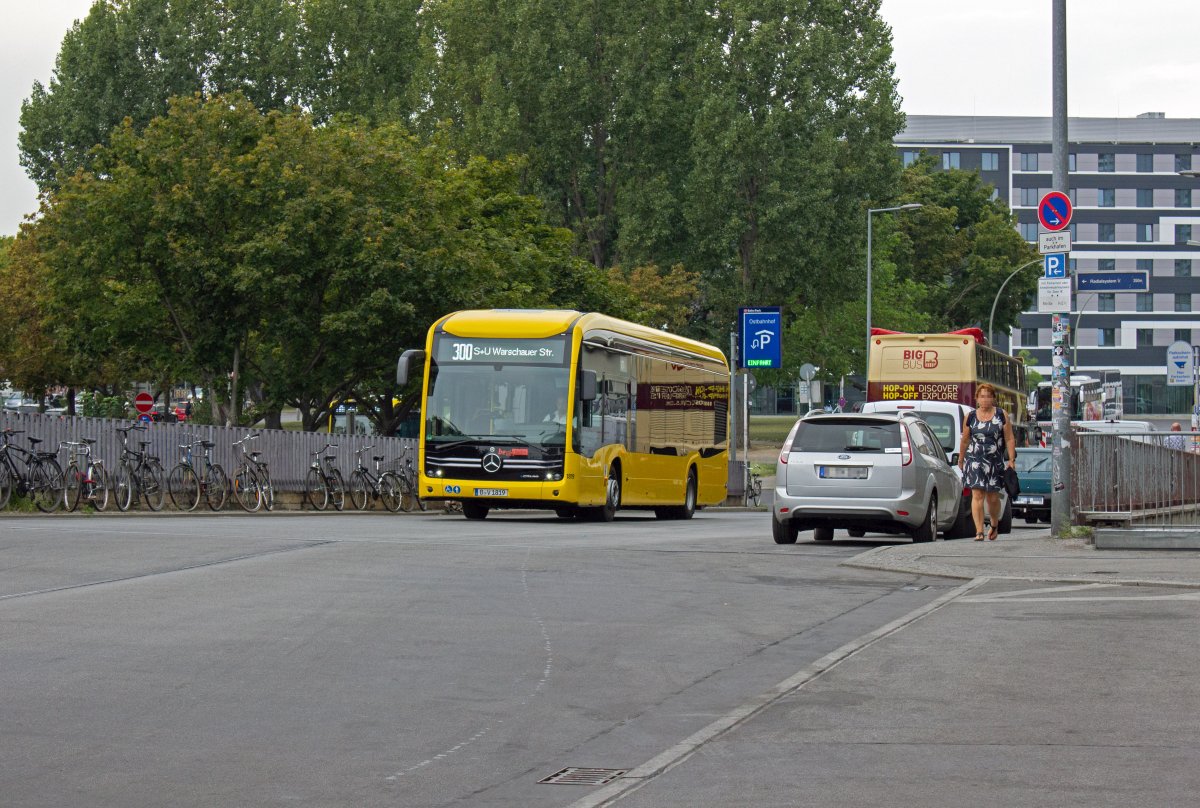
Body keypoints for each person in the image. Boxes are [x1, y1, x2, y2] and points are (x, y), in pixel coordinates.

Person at [957, 383, 1016, 541]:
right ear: (977, 398)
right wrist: (961, 459)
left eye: (989, 396)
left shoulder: (1001, 415)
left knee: (993, 498)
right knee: (977, 495)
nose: (985, 399)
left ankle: (994, 524)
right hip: (974, 459)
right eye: (982, 396)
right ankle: (979, 531)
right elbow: (965, 440)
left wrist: (1011, 459)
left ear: (993, 398)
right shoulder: (970, 416)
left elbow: (1009, 438)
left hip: (994, 460)